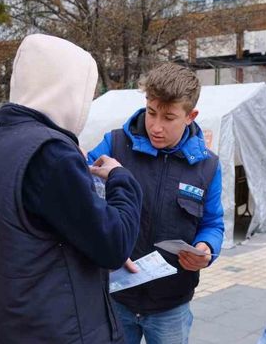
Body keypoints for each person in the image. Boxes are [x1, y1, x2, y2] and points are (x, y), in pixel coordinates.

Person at [0, 34, 143, 343]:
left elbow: (35, 234)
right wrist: (121, 179)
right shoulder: (50, 154)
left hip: (19, 322)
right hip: (62, 329)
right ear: (67, 90)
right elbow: (114, 245)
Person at [87, 63, 225, 344]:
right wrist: (103, 244)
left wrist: (205, 249)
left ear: (191, 116)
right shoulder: (114, 144)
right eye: (151, 113)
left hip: (171, 305)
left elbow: (213, 223)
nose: (156, 126)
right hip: (115, 298)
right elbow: (81, 196)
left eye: (169, 117)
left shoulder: (208, 165)